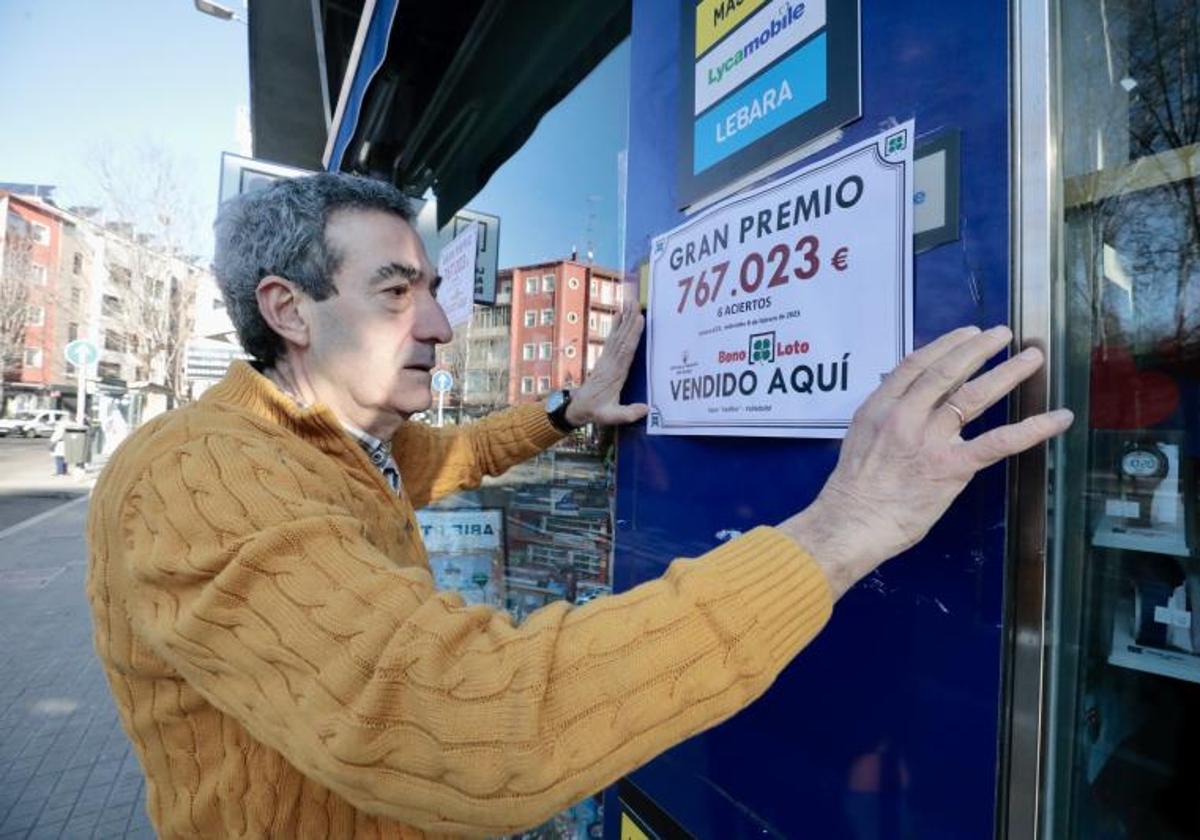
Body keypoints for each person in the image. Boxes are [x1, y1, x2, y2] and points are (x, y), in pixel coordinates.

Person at [85, 173, 1072, 838]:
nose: (435, 322)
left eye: (431, 289)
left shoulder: (343, 444)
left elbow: (454, 454)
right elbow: (475, 725)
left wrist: (567, 410)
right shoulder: (200, 477)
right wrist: (839, 530)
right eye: (395, 294)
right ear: (288, 309)